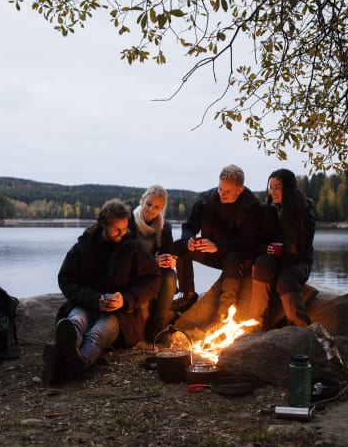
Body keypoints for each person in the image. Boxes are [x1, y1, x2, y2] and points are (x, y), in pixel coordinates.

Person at [43, 199, 162, 384]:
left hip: (121, 313)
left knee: (97, 333)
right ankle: (75, 360)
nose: (122, 233)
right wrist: (93, 299)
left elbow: (154, 279)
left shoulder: (133, 247)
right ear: (104, 224)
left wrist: (126, 299)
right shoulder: (84, 247)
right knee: (75, 322)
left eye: (124, 229)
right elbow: (66, 279)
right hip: (86, 303)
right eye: (116, 229)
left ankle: (69, 362)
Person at [172, 164, 261, 318]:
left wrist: (217, 247)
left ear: (240, 190)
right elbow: (188, 226)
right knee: (180, 247)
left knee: (233, 258)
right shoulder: (206, 200)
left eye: (228, 191)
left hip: (238, 255)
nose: (222, 194)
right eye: (220, 189)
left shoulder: (251, 206)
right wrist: (189, 240)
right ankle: (187, 295)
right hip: (212, 251)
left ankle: (224, 312)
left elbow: (248, 241)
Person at [248, 168, 317, 329]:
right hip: (275, 258)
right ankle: (256, 324)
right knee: (261, 265)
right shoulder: (267, 209)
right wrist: (268, 249)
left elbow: (304, 250)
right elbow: (258, 240)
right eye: (271, 187)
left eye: (277, 187)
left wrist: (283, 260)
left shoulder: (304, 211)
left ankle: (301, 329)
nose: (273, 192)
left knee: (286, 279)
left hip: (298, 262)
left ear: (289, 187)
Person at [127, 184, 178, 341]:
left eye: (157, 207)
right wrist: (152, 262)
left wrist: (170, 260)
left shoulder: (164, 227)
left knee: (170, 275)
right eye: (149, 204)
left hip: (152, 268)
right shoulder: (129, 220)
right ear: (142, 201)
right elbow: (125, 256)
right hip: (131, 268)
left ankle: (158, 322)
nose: (151, 209)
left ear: (161, 208)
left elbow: (167, 251)